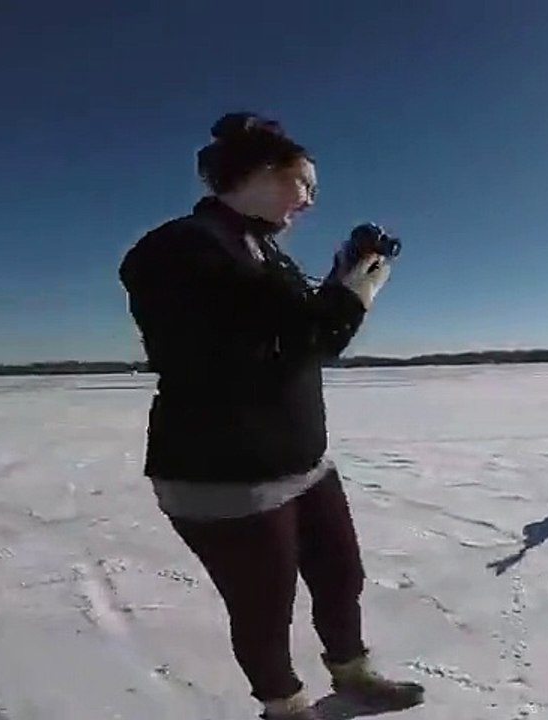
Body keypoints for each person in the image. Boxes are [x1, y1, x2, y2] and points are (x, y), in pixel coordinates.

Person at [118, 112, 423, 719]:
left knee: (340, 575)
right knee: (264, 607)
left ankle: (352, 672)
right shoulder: (181, 248)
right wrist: (346, 299)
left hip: (301, 460)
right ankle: (285, 709)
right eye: (302, 184)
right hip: (225, 472)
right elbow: (248, 354)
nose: (309, 201)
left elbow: (298, 336)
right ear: (257, 173)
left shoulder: (264, 251)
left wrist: (342, 286)